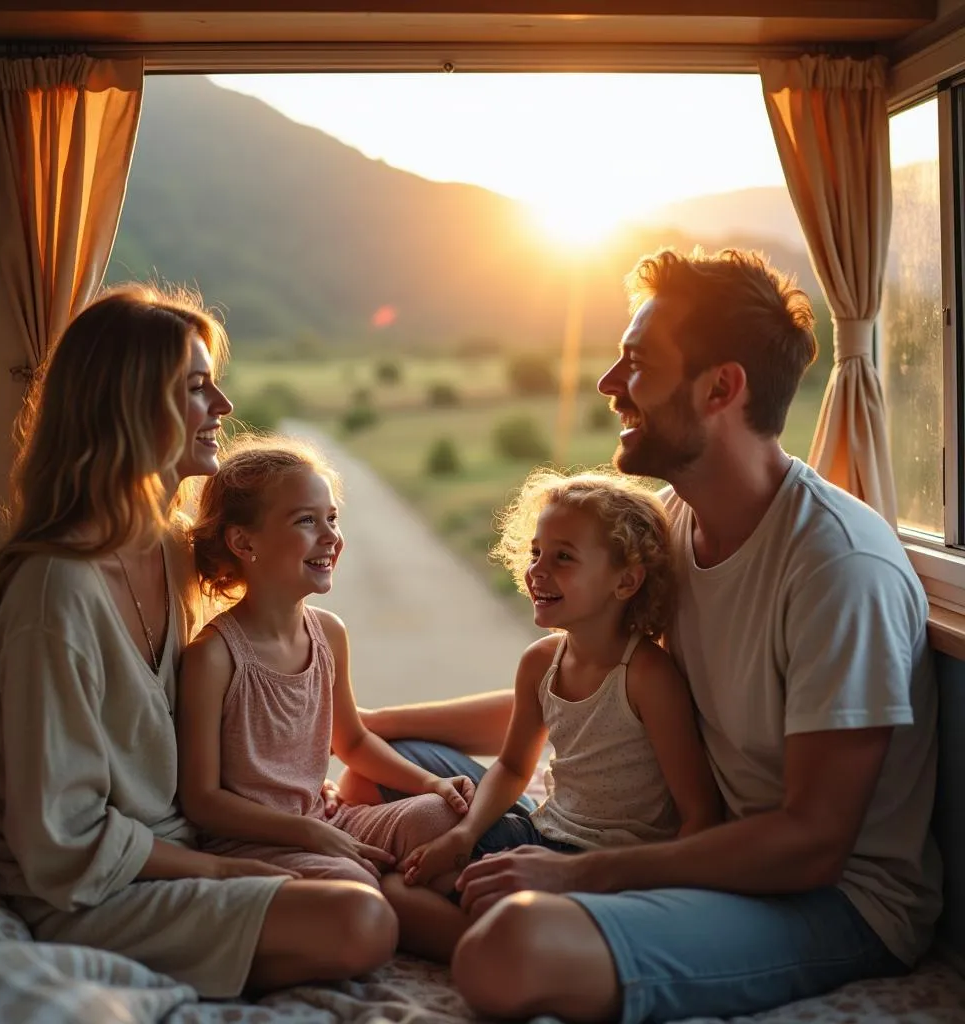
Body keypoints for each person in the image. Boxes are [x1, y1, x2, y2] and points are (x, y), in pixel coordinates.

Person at [353, 249, 942, 1024]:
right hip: (692, 840)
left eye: (635, 363)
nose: (609, 386)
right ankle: (414, 902)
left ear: (721, 387)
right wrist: (364, 728)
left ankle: (420, 912)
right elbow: (579, 693)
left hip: (828, 899)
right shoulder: (671, 521)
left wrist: (582, 878)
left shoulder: (838, 569)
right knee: (384, 778)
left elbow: (812, 844)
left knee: (510, 952)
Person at [0, 285, 398, 1001]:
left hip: (186, 848)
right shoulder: (55, 595)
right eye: (199, 388)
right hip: (90, 892)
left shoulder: (173, 553)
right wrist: (226, 872)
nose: (225, 410)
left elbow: (274, 637)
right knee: (361, 920)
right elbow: (59, 842)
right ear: (131, 406)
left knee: (387, 851)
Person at [378, 468, 720, 963]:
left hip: (608, 869)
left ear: (625, 580)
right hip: (542, 832)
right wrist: (463, 835)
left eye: (563, 558)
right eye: (536, 552)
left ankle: (499, 950)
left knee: (421, 894)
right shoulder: (541, 661)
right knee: (397, 880)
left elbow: (699, 816)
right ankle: (496, 944)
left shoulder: (646, 675)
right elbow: (515, 767)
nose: (537, 570)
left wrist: (650, 895)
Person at [177, 437, 473, 891]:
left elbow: (351, 741)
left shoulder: (328, 633)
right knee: (352, 883)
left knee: (439, 817)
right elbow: (202, 801)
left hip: (323, 820)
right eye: (306, 521)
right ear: (243, 541)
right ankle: (398, 903)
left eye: (332, 518)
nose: (331, 536)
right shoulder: (214, 658)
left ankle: (394, 893)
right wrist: (310, 834)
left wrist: (431, 784)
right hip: (255, 842)